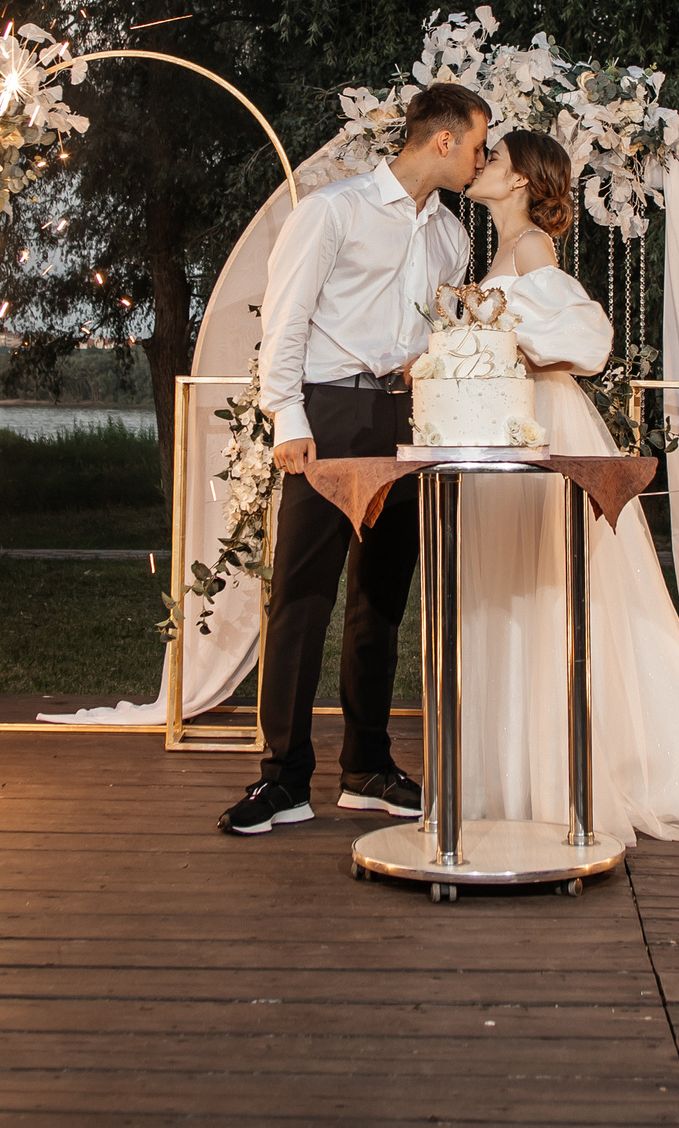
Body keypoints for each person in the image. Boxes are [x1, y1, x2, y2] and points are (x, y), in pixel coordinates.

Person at [455, 129, 679, 842]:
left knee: (549, 588)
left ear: (522, 180)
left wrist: (514, 339)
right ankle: (523, 769)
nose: (481, 164)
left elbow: (591, 338)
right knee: (514, 589)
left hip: (545, 421)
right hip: (507, 421)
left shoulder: (529, 249)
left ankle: (565, 772)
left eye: (492, 157)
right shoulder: (501, 250)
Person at [217, 81, 492, 835]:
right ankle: (283, 777)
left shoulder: (452, 238)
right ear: (443, 140)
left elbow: (434, 329)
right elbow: (287, 317)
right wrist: (288, 418)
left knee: (382, 596)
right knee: (302, 597)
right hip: (329, 413)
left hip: (404, 420)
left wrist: (427, 365)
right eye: (476, 144)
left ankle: (367, 766)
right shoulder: (331, 211)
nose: (481, 158)